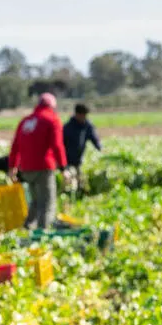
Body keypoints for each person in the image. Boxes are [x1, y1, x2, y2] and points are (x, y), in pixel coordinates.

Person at [8, 93, 67, 230]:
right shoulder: (52, 120)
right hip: (43, 168)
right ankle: (42, 233)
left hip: (26, 169)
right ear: (52, 106)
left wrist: (13, 167)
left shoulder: (25, 121)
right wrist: (63, 168)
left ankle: (28, 227)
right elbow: (57, 145)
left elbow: (15, 145)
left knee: (35, 201)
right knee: (46, 203)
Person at [62, 103, 102, 178]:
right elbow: (60, 143)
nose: (84, 117)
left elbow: (94, 139)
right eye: (83, 115)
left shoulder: (87, 126)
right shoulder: (68, 127)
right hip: (67, 161)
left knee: (80, 181)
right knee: (70, 183)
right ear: (77, 114)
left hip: (79, 161)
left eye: (85, 115)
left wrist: (100, 148)